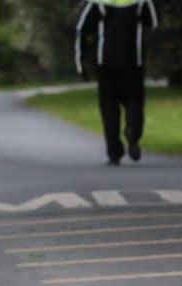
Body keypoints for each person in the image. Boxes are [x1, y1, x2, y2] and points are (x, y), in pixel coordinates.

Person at [75, 0, 159, 165]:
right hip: (133, 60)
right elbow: (152, 22)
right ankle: (133, 132)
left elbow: (82, 28)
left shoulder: (97, 2)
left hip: (105, 61)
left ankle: (114, 152)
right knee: (134, 100)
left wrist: (80, 62)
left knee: (108, 106)